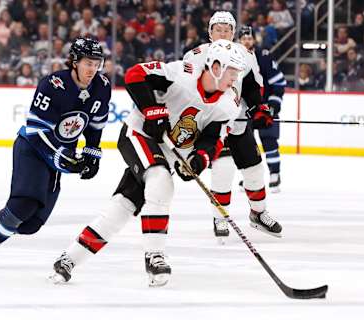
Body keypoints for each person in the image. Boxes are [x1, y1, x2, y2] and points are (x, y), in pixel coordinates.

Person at [49, 39, 246, 287]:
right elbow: (136, 75)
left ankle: (70, 258)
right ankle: (155, 255)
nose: (235, 78)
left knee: (124, 204)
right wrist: (153, 110)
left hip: (168, 151)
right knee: (160, 180)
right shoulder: (182, 73)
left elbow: (213, 140)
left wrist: (198, 161)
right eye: (232, 71)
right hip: (138, 135)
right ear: (215, 67)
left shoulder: (229, 104)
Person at [0, 37, 111, 267]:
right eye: (88, 63)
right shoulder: (53, 84)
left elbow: (95, 125)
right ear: (75, 61)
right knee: (22, 206)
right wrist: (59, 156)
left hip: (59, 156)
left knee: (32, 223)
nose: (93, 69)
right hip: (32, 150)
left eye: (97, 63)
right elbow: (36, 130)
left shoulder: (102, 87)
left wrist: (92, 154)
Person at [183, 11, 282, 243]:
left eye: (228, 29)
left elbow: (251, 87)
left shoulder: (244, 55)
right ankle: (220, 216)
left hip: (237, 122)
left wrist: (259, 108)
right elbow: (187, 89)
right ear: (210, 32)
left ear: (233, 33)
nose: (223, 33)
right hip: (212, 124)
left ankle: (258, 213)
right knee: (224, 168)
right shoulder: (195, 55)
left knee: (255, 168)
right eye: (219, 29)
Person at [238, 25, 286, 192]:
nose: (246, 41)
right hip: (245, 108)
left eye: (249, 38)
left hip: (265, 106)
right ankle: (251, 176)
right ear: (238, 41)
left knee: (269, 140)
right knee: (246, 143)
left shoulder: (264, 57)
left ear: (254, 40)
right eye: (243, 39)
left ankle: (275, 174)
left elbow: (278, 83)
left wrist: (273, 104)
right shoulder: (233, 58)